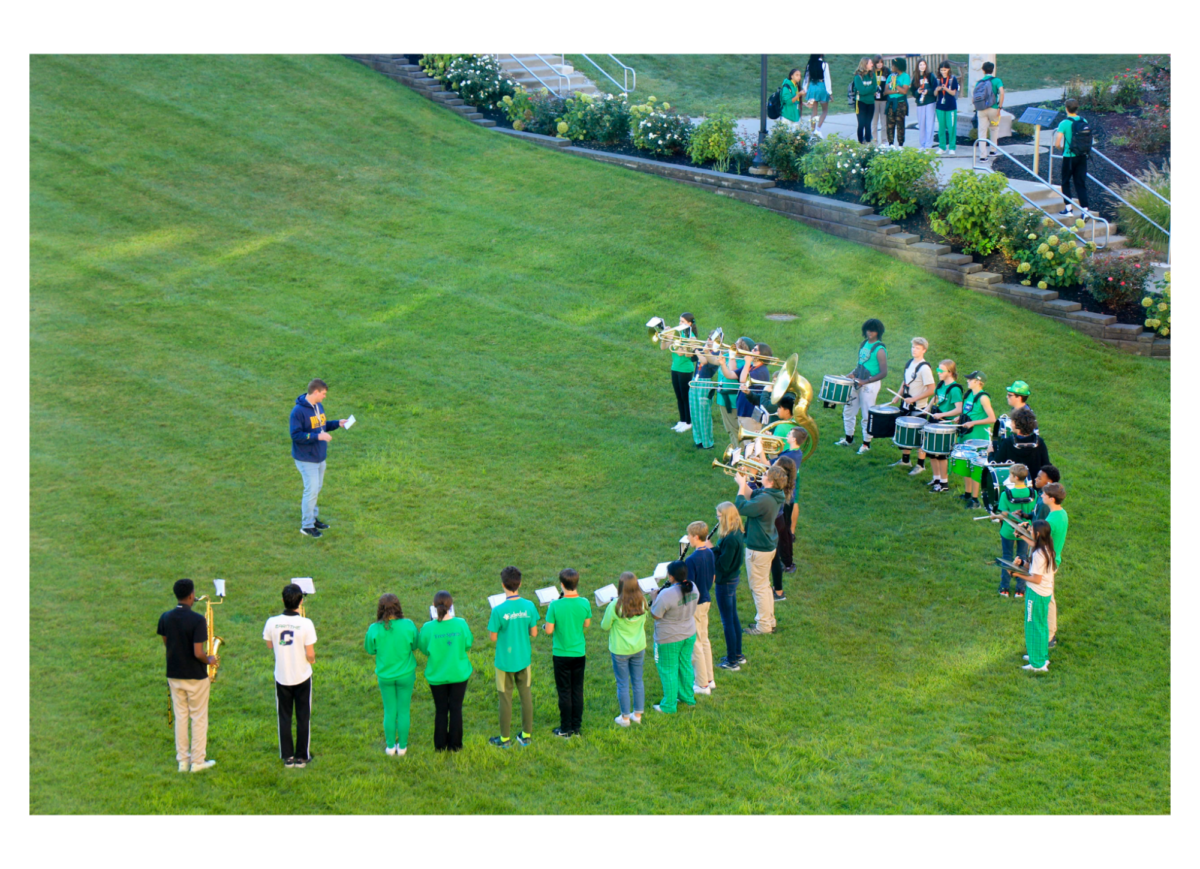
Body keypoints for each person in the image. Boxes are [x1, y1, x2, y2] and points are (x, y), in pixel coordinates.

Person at [158, 578, 217, 773]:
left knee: (181, 717)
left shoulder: (165, 617)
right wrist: (210, 660)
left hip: (174, 674)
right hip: (195, 676)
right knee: (198, 717)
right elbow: (198, 653)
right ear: (191, 595)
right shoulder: (198, 620)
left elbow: (167, 642)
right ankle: (198, 761)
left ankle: (183, 761)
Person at [263, 583, 317, 768]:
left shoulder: (271, 622)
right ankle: (302, 756)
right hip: (302, 676)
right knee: (303, 716)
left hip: (282, 676)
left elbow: (270, 645)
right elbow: (310, 653)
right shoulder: (306, 623)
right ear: (301, 602)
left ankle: (288, 757)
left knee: (284, 716)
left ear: (282, 601)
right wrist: (311, 660)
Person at [290, 378, 349, 539]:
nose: (325, 396)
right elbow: (295, 435)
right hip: (306, 459)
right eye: (323, 394)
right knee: (311, 491)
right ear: (316, 392)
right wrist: (318, 437)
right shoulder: (298, 412)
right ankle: (307, 526)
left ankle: (313, 519)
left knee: (316, 490)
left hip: (319, 457)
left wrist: (338, 423)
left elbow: (321, 426)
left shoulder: (318, 406)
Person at [486, 566, 538, 748]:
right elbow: (534, 633)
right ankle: (526, 735)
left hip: (504, 662)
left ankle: (504, 739)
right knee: (526, 696)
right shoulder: (529, 606)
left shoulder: (498, 610)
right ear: (520, 584)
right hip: (524, 659)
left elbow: (492, 637)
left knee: (505, 699)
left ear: (503, 585)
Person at [418, 591, 473, 752]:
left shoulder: (428, 627)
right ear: (451, 606)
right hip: (459, 673)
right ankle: (455, 745)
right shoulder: (461, 623)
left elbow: (424, 649)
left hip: (437, 675)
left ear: (434, 607)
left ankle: (440, 745)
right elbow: (467, 644)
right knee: (456, 708)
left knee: (441, 709)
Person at [736, 464, 787, 635]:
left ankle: (764, 625)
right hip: (766, 545)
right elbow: (752, 495)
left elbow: (741, 507)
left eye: (765, 474)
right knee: (764, 586)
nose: (762, 475)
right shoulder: (772, 494)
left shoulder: (766, 499)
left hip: (758, 548)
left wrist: (741, 488)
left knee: (758, 587)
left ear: (771, 481)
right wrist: (741, 483)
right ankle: (768, 620)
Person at [364, 593, 417, 757]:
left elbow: (370, 649)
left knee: (389, 710)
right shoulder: (408, 625)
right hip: (406, 675)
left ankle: (390, 746)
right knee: (403, 710)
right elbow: (414, 645)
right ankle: (402, 747)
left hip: (385, 676)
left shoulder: (374, 628)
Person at [544, 568, 591, 737]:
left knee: (564, 691)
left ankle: (565, 728)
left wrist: (546, 625)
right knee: (577, 690)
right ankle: (576, 727)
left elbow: (549, 630)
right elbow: (586, 624)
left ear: (562, 585)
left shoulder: (555, 605)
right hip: (579, 653)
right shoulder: (585, 602)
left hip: (561, 654)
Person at [650, 561, 699, 714]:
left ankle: (669, 706)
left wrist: (654, 598)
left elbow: (656, 615)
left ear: (671, 577)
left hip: (668, 639)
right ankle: (687, 697)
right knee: (685, 665)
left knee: (668, 670)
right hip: (689, 633)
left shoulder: (666, 594)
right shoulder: (693, 586)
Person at [602, 573, 649, 727]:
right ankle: (637, 715)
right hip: (639, 647)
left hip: (620, 650)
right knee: (637, 680)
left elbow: (605, 626)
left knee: (622, 683)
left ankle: (625, 718)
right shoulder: (642, 603)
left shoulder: (615, 606)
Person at [836, 319, 888, 454]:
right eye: (868, 330)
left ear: (878, 332)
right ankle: (848, 438)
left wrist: (866, 381)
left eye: (873, 330)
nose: (870, 332)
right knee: (848, 410)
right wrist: (852, 374)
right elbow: (860, 364)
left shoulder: (880, 349)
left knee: (867, 413)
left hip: (870, 384)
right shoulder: (864, 344)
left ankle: (866, 444)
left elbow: (884, 373)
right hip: (858, 381)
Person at [1012, 520, 1056, 672]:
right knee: (1041, 625)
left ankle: (1037, 664)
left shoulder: (1038, 554)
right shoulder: (1046, 548)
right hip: (1045, 592)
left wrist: (1016, 573)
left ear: (1037, 534)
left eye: (1031, 530)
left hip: (1036, 593)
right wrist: (1022, 563)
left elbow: (1035, 578)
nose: (1029, 531)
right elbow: (1034, 569)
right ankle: (1040, 655)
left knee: (1033, 625)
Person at [888, 336, 936, 474]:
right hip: (906, 404)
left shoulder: (925, 368)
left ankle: (920, 465)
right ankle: (905, 460)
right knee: (906, 432)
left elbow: (932, 389)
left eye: (918, 348)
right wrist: (898, 395)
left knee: (919, 436)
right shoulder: (910, 363)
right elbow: (905, 382)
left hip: (919, 407)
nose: (914, 350)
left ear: (924, 350)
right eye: (913, 347)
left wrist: (914, 398)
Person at [711, 501, 747, 671]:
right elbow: (725, 554)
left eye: (719, 516)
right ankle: (737, 655)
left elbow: (723, 565)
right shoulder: (736, 532)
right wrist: (715, 549)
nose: (717, 519)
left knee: (728, 622)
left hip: (725, 582)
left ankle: (732, 661)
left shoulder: (731, 539)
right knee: (733, 618)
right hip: (733, 579)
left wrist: (713, 555)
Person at [683, 521, 716, 696]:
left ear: (696, 537)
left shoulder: (691, 559)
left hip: (695, 604)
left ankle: (702, 684)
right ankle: (710, 679)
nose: (688, 539)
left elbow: (689, 587)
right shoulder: (710, 553)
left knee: (696, 643)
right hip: (707, 599)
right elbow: (713, 576)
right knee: (704, 639)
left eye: (689, 536)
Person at [955, 371, 996, 509]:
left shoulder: (983, 397)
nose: (968, 381)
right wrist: (959, 419)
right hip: (966, 436)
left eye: (971, 379)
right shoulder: (968, 395)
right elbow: (968, 413)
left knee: (976, 468)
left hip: (977, 438)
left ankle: (975, 499)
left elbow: (992, 418)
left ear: (979, 382)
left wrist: (973, 423)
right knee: (967, 465)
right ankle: (967, 493)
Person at [996, 464, 1037, 599]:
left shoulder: (1005, 494)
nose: (1009, 477)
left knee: (1007, 557)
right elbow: (1032, 511)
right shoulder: (1033, 493)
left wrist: (996, 516)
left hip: (1009, 530)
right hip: (1026, 531)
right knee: (1023, 557)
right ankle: (1020, 589)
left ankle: (1004, 588)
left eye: (1010, 475)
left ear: (1016, 477)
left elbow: (1004, 514)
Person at [926, 359, 965, 492]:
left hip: (946, 424)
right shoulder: (941, 385)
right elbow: (936, 398)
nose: (938, 373)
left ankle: (944, 483)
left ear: (950, 372)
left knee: (941, 454)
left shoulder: (954, 389)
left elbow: (959, 409)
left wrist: (942, 415)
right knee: (931, 452)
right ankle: (936, 478)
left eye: (941, 371)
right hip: (935, 420)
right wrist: (928, 408)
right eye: (938, 370)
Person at [772, 426, 807, 574]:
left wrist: (761, 449)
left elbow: (772, 466)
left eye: (789, 434)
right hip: (786, 497)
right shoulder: (794, 453)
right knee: (782, 530)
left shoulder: (792, 456)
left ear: (793, 439)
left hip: (785, 499)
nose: (786, 435)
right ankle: (784, 559)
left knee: (784, 531)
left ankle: (787, 562)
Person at [991, 407, 1050, 484]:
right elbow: (1046, 465)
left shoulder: (1007, 443)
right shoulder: (1039, 442)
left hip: (1014, 486)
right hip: (1035, 485)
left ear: (1016, 424)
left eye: (1012, 422)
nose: (1010, 424)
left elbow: (996, 464)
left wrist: (991, 453)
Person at [768, 455, 798, 603]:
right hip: (780, 519)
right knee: (784, 537)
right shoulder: (787, 483)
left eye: (776, 464)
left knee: (775, 554)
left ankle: (778, 590)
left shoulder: (777, 489)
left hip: (776, 519)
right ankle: (787, 563)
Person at [1055, 98, 1090, 219]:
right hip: (1082, 156)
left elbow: (1057, 142)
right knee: (1080, 183)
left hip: (1069, 157)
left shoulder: (1064, 123)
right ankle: (1085, 210)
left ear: (1066, 108)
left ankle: (1068, 209)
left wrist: (1061, 148)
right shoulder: (1083, 120)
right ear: (1077, 108)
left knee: (1065, 182)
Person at [714, 338, 752, 449]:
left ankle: (739, 457)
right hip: (724, 398)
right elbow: (714, 362)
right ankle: (739, 454)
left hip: (733, 401)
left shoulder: (744, 363)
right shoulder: (728, 357)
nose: (733, 346)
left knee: (734, 430)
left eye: (737, 345)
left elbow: (732, 370)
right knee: (731, 429)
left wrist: (731, 356)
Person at [689, 336, 720, 451]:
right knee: (694, 412)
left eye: (712, 340)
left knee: (704, 414)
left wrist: (696, 349)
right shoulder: (702, 348)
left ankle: (708, 443)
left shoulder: (716, 353)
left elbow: (704, 361)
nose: (709, 341)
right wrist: (690, 344)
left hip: (705, 382)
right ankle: (698, 440)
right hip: (695, 381)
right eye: (709, 338)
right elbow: (689, 356)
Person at [669, 313, 697, 433]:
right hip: (675, 367)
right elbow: (669, 348)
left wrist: (683, 343)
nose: (680, 324)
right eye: (680, 321)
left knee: (685, 397)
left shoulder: (692, 337)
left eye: (683, 322)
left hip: (685, 369)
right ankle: (682, 420)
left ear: (689, 324)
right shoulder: (678, 334)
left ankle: (688, 422)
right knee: (679, 396)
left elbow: (682, 353)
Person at [737, 342, 772, 434]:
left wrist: (747, 362)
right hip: (744, 411)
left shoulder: (762, 370)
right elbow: (731, 374)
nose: (751, 350)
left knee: (750, 444)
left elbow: (742, 380)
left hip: (751, 414)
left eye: (755, 350)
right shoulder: (752, 367)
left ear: (762, 354)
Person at [974, 61, 1005, 164]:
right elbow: (1002, 93)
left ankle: (983, 156)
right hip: (993, 109)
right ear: (993, 70)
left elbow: (974, 98)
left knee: (982, 132)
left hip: (981, 110)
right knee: (994, 129)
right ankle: (993, 150)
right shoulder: (997, 80)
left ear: (983, 70)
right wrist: (1000, 108)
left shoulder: (979, 82)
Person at [802, 53, 832, 136]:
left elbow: (806, 78)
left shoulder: (810, 64)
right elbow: (827, 78)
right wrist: (830, 92)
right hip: (822, 87)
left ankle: (812, 131)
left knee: (814, 111)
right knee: (825, 110)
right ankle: (818, 130)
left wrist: (804, 89)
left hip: (812, 87)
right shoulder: (824, 64)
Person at [884, 58, 910, 148]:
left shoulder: (905, 76)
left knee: (900, 125)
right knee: (890, 125)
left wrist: (895, 84)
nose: (892, 67)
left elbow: (904, 91)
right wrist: (896, 91)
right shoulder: (890, 76)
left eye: (893, 65)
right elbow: (886, 91)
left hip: (900, 103)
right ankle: (891, 144)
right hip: (891, 103)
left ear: (898, 67)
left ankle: (900, 145)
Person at [912, 59, 938, 149]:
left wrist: (928, 91)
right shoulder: (916, 77)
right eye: (920, 65)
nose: (922, 66)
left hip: (930, 102)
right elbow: (913, 92)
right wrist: (918, 92)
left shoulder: (930, 76)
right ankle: (922, 144)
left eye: (923, 65)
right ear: (917, 66)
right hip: (920, 103)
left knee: (929, 123)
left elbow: (935, 89)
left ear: (926, 66)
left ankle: (928, 144)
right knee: (921, 124)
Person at [934, 61, 959, 154]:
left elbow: (953, 93)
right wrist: (937, 89)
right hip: (940, 106)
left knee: (951, 127)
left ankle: (952, 147)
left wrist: (945, 89)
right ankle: (942, 147)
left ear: (948, 69)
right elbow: (934, 94)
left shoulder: (953, 79)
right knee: (941, 127)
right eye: (941, 70)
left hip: (951, 106)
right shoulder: (937, 79)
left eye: (945, 70)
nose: (943, 72)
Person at [853, 57, 877, 143]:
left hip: (871, 102)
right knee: (861, 124)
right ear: (865, 64)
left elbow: (875, 88)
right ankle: (860, 142)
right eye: (870, 63)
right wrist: (870, 88)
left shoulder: (872, 75)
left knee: (868, 124)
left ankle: (868, 141)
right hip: (861, 103)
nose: (872, 65)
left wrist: (868, 89)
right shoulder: (858, 77)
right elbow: (862, 91)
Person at [872, 55, 889, 145]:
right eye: (878, 63)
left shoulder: (886, 71)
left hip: (884, 99)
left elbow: (891, 82)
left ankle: (884, 140)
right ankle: (874, 140)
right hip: (874, 100)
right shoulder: (872, 72)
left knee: (884, 121)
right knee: (874, 121)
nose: (879, 64)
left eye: (881, 62)